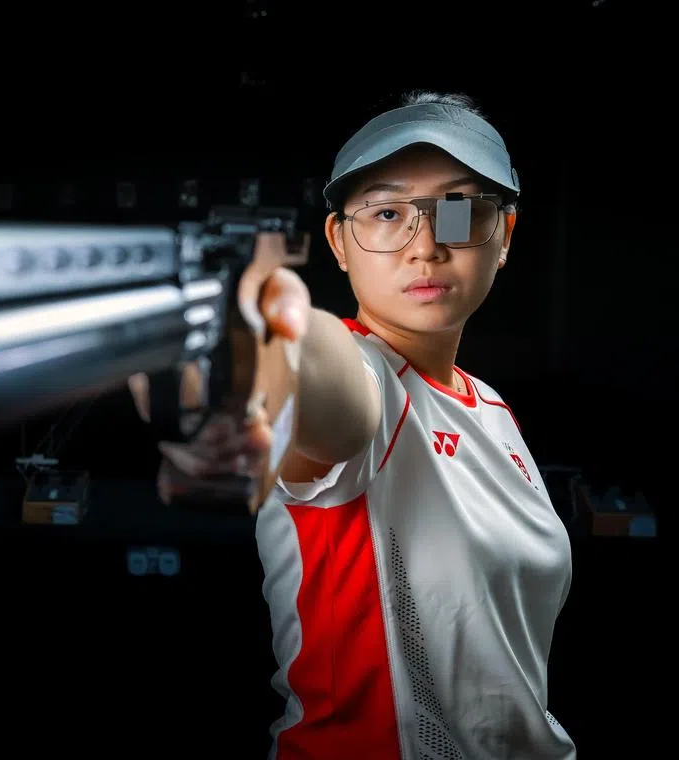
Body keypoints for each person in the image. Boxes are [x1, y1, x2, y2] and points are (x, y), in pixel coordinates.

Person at [130, 91, 575, 759]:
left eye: (458, 211)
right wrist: (251, 335)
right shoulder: (366, 376)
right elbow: (325, 379)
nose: (424, 246)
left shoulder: (491, 406)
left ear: (503, 237)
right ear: (340, 241)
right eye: (388, 213)